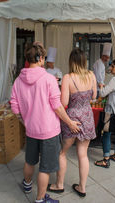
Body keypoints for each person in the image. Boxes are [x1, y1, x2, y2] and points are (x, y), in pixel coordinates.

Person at [10, 42, 81, 203]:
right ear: (41, 58)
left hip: (31, 130)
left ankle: (27, 184)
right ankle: (41, 199)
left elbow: (14, 107)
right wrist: (70, 122)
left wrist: (25, 122)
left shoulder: (18, 81)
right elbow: (57, 106)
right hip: (49, 131)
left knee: (30, 160)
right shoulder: (49, 79)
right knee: (45, 168)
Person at [47, 48, 97, 198]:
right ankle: (82, 187)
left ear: (71, 61)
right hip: (87, 117)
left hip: (72, 119)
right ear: (84, 61)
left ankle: (59, 184)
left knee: (62, 153)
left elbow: (64, 102)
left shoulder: (68, 77)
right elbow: (94, 97)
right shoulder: (91, 75)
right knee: (83, 154)